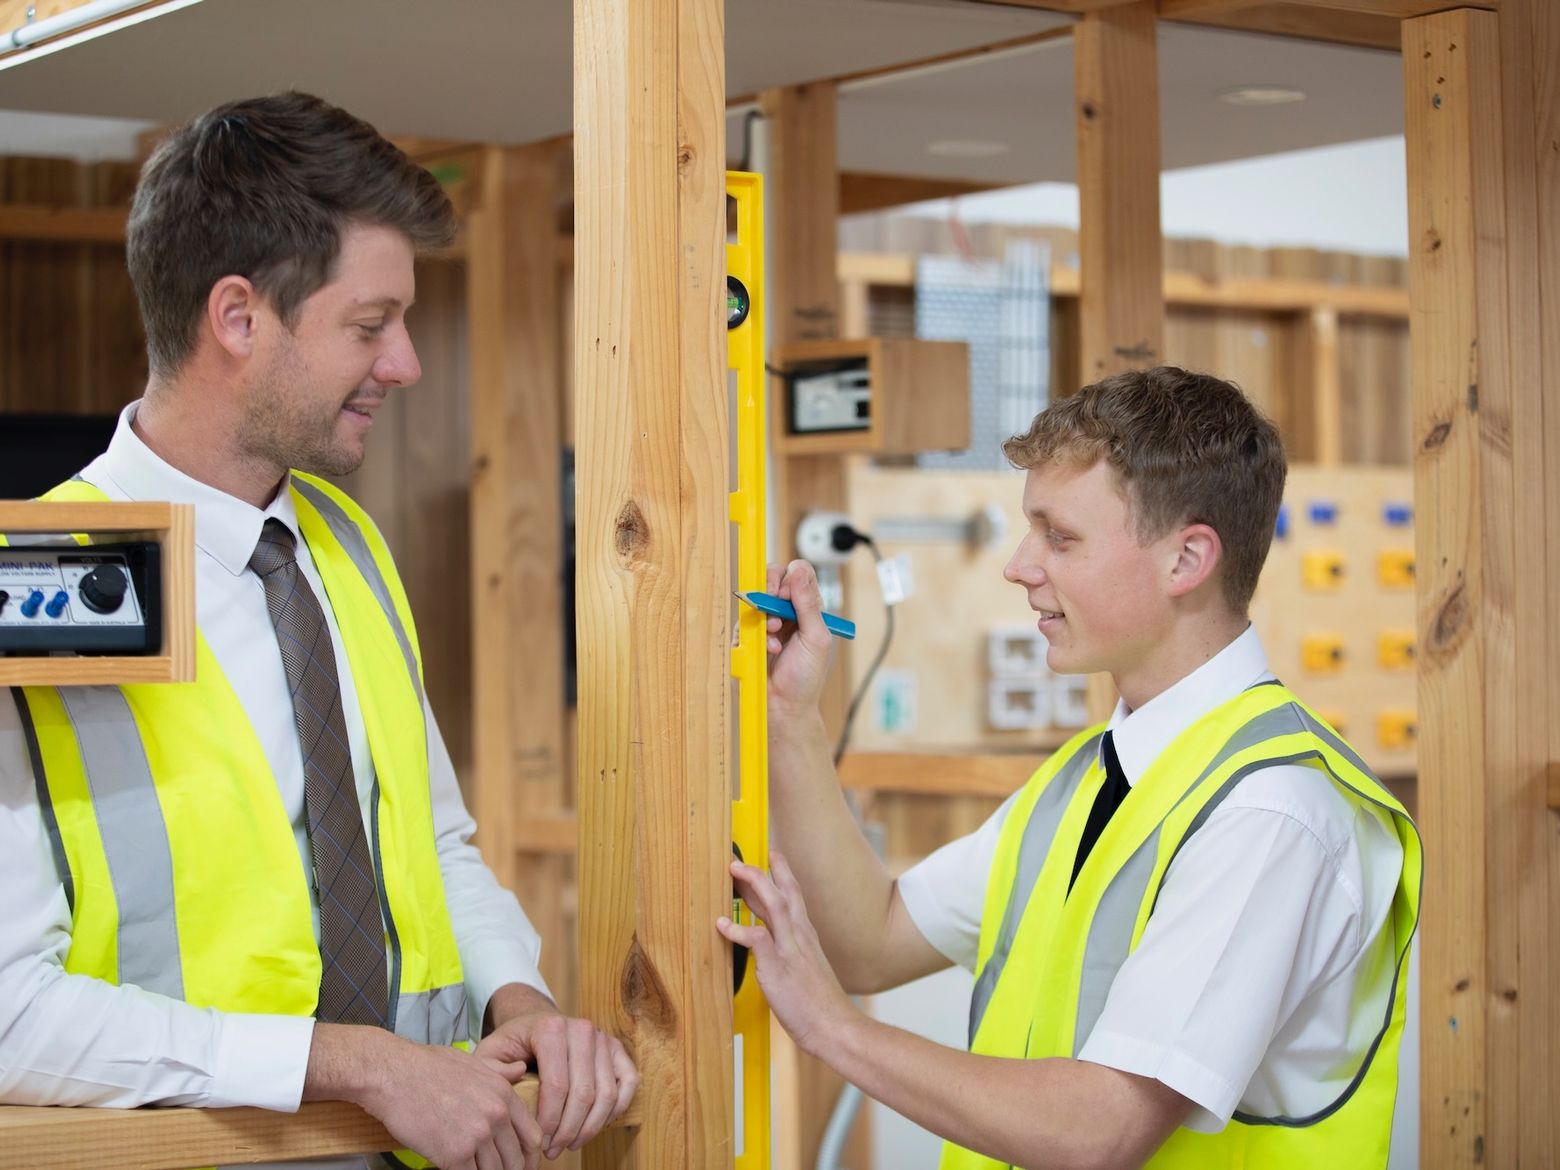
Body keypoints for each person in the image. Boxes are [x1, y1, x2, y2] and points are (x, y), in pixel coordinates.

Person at [0, 92, 636, 1170]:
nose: (406, 365)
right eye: (370, 324)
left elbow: (435, 847)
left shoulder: (344, 544)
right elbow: (13, 1019)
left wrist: (515, 999)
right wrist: (363, 1065)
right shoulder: (30, 591)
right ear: (239, 319)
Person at [719, 366, 1421, 1169]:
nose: (1020, 565)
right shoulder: (1084, 779)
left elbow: (1102, 1130)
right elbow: (871, 940)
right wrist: (790, 719)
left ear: (1186, 559)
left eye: (1060, 536)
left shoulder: (1270, 813)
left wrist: (835, 1030)